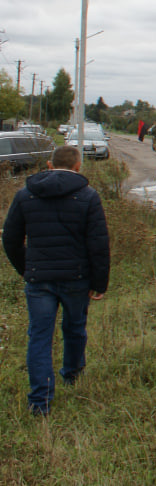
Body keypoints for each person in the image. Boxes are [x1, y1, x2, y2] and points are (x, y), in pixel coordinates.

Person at [3, 145, 109, 416]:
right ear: (78, 166)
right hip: (76, 278)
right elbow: (97, 244)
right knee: (74, 329)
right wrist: (99, 282)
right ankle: (71, 374)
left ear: (49, 165)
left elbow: (10, 239)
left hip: (39, 279)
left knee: (39, 337)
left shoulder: (25, 195)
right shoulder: (88, 196)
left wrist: (27, 267)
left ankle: (40, 402)